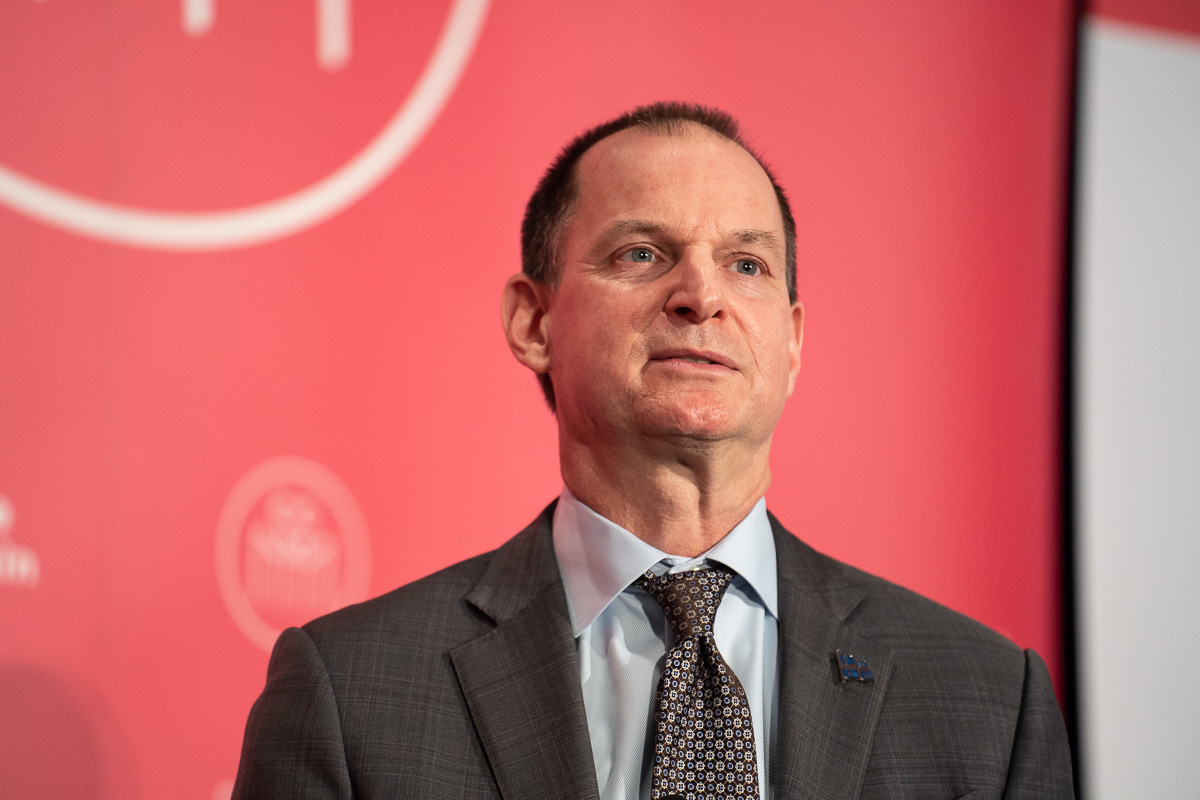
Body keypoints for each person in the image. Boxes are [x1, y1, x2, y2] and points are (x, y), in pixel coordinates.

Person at [231, 102, 1074, 799]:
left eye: (747, 263)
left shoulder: (991, 703)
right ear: (534, 322)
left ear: (791, 339)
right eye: (642, 254)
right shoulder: (351, 694)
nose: (701, 295)